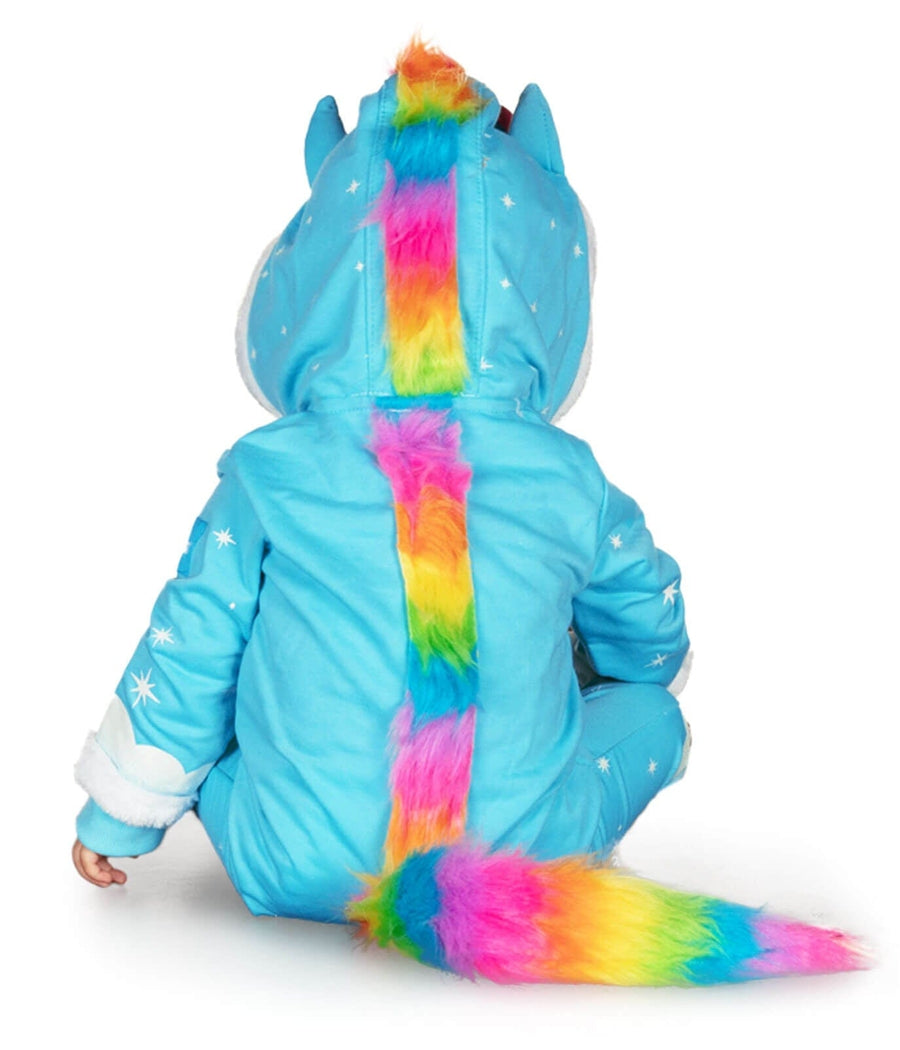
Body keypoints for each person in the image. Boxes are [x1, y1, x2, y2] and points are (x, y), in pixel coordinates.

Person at [73, 43, 858, 985]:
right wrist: (607, 673)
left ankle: (279, 810)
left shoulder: (268, 474)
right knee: (651, 715)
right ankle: (503, 849)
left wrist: (117, 812)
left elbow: (191, 640)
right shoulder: (568, 479)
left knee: (223, 694)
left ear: (313, 273)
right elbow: (649, 624)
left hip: (289, 858)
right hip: (525, 852)